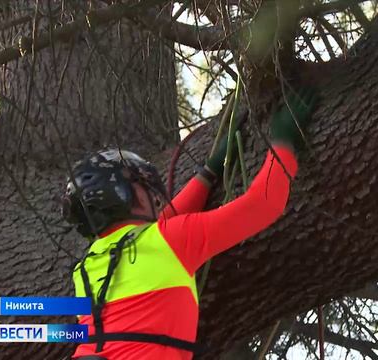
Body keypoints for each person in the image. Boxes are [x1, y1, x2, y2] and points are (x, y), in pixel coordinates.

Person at [61, 89, 316, 360]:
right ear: (124, 194)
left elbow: (160, 232)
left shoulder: (87, 267)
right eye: (142, 185)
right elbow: (263, 205)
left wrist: (208, 174)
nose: (156, 197)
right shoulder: (170, 241)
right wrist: (282, 143)